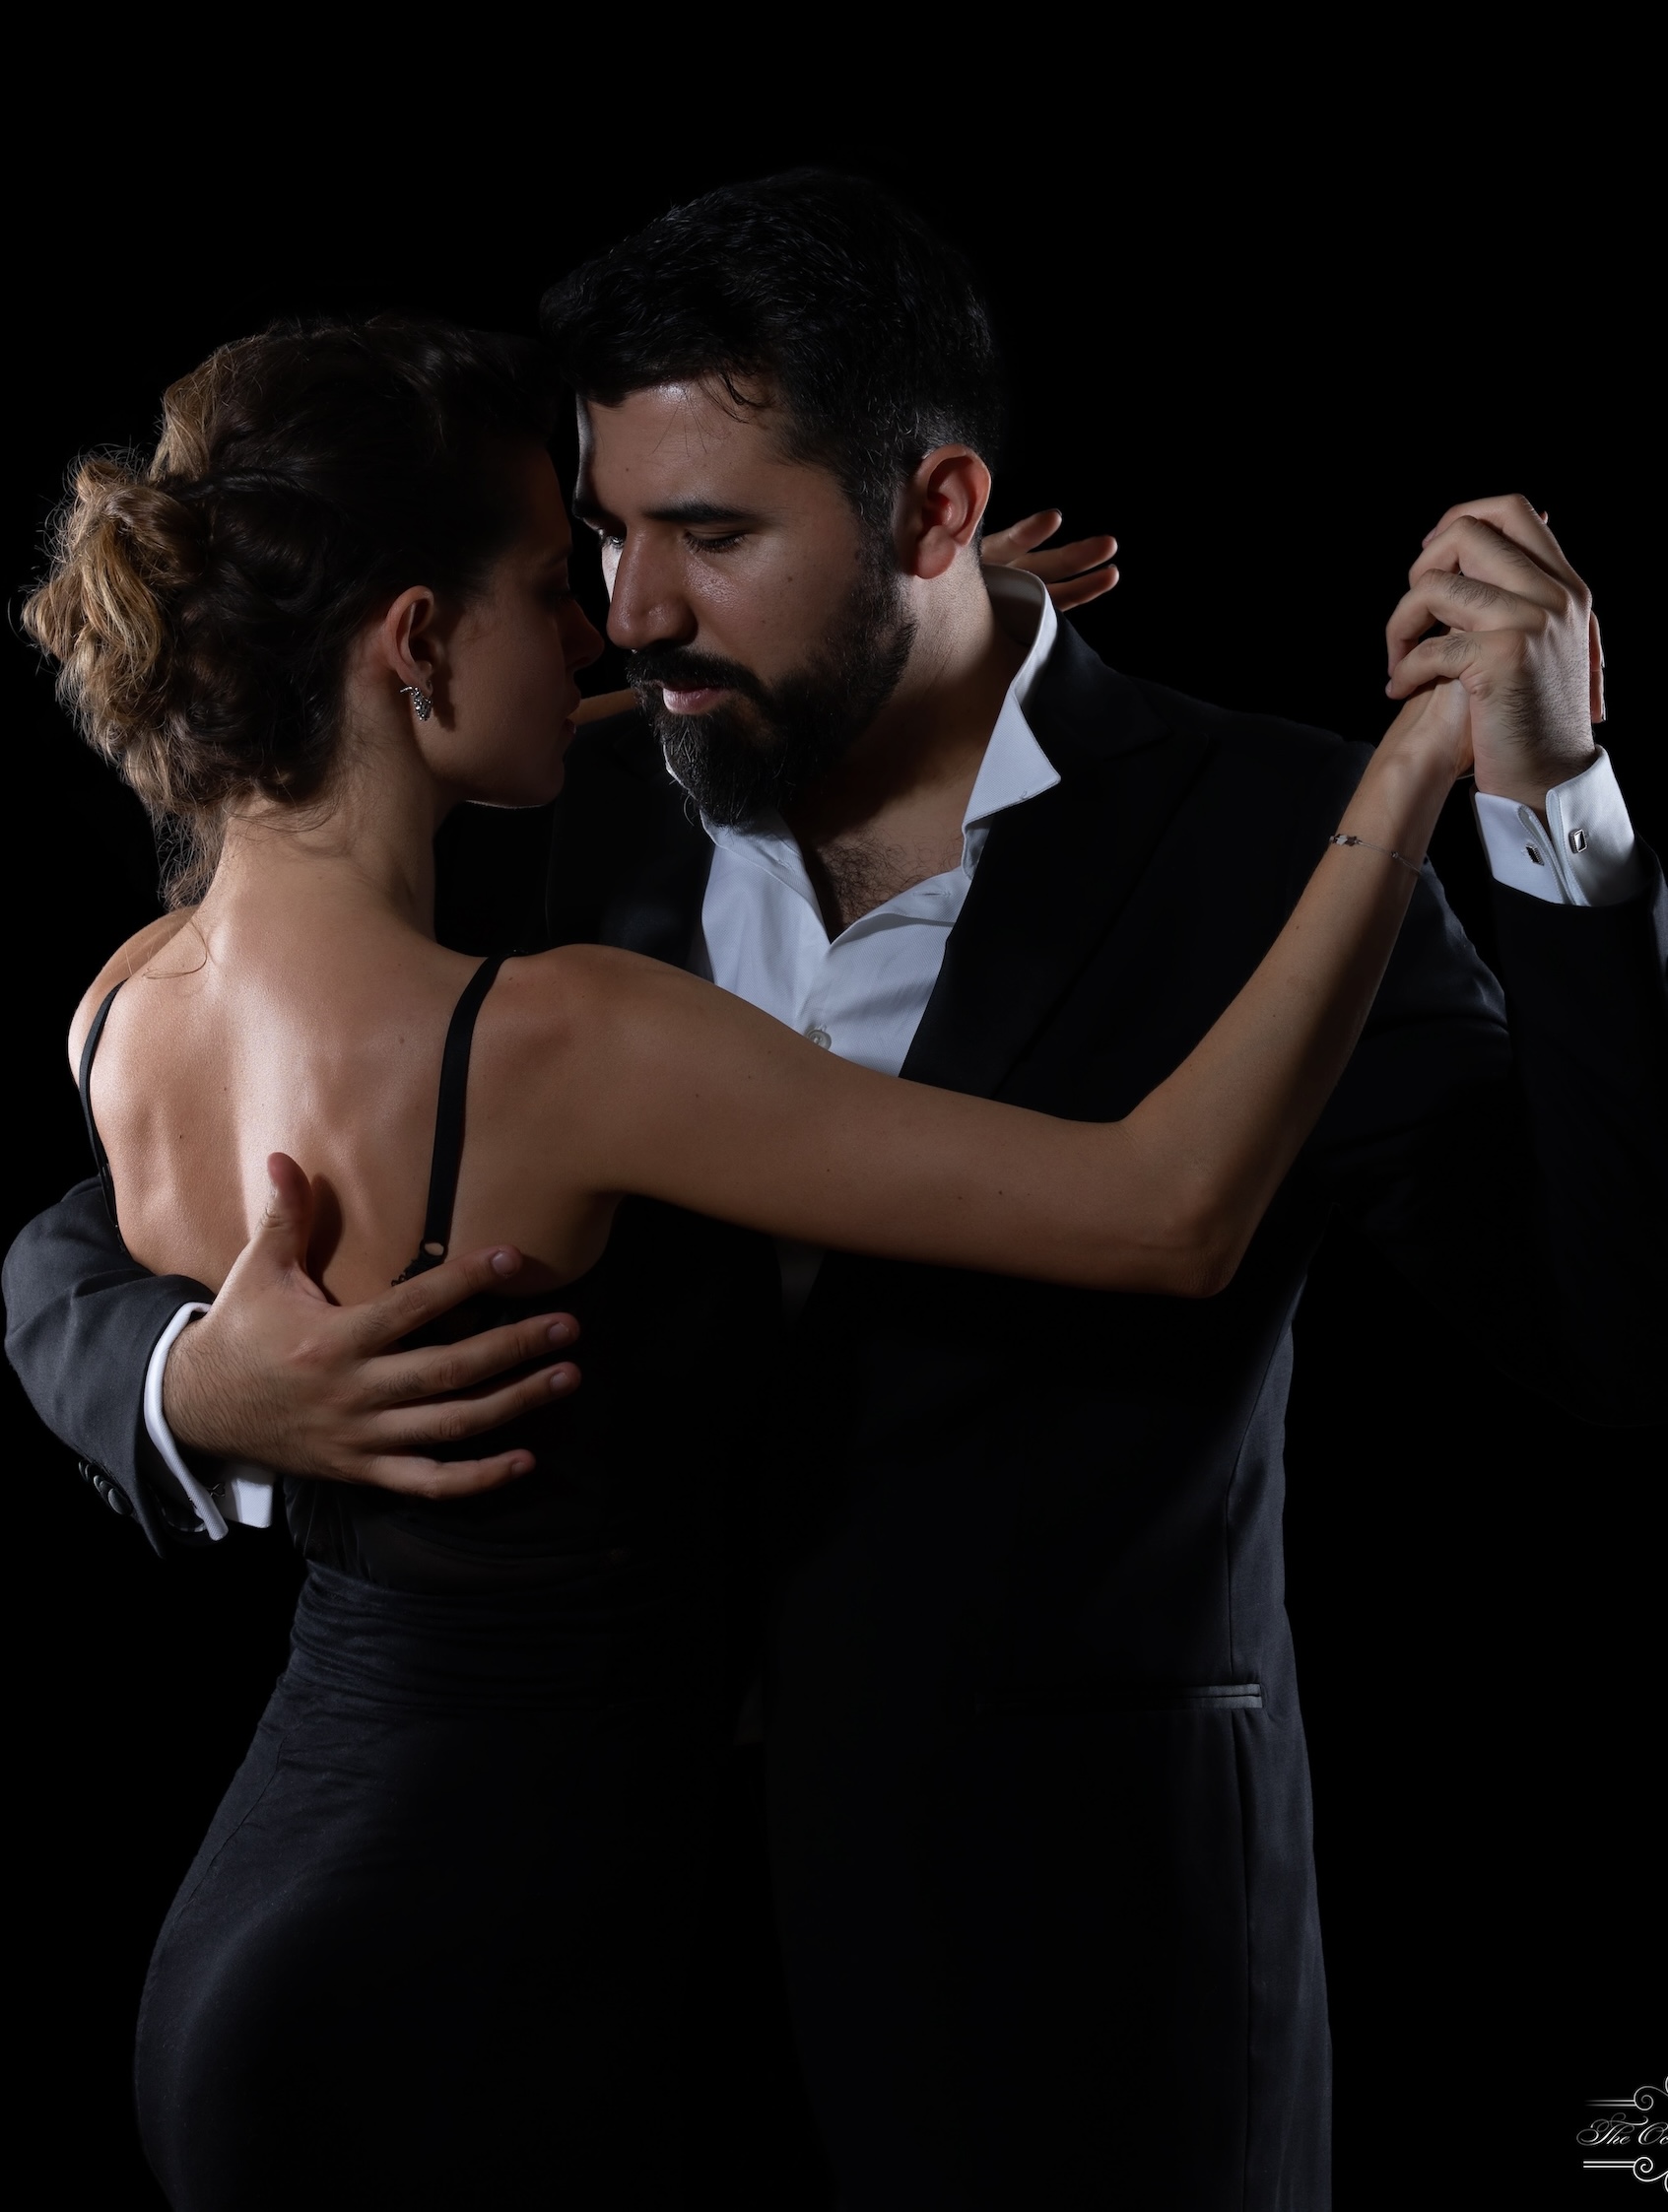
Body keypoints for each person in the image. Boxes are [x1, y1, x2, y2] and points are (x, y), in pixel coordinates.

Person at [7, 172, 1666, 2210]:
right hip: (578, 1978)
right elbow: (85, 1226)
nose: (629, 613)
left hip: (1069, 1983)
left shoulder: (1264, 837)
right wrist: (187, 1386)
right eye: (600, 540)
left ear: (936, 513)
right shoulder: (523, 804)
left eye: (710, 537)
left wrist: (1549, 808)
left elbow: (1613, 1329)